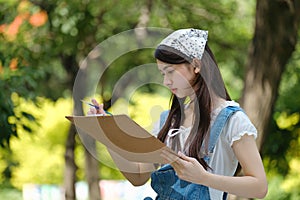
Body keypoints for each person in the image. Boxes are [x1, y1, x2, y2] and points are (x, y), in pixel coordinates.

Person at [87, 28, 268, 199]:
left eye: (170, 72)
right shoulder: (169, 121)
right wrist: (107, 131)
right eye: (162, 74)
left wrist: (204, 178)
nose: (166, 81)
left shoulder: (232, 120)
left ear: (196, 65)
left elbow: (259, 187)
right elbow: (139, 175)